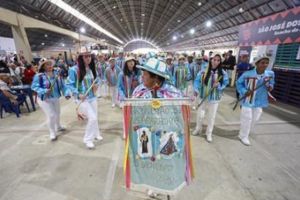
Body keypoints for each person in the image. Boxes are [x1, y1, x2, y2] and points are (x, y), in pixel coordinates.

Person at [132, 57, 182, 198]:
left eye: (145, 74)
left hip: (165, 137)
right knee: (148, 161)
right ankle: (151, 185)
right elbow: (134, 114)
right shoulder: (139, 91)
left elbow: (179, 117)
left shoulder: (172, 94)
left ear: (155, 78)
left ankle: (165, 185)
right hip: (146, 136)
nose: (142, 77)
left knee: (165, 160)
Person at [65, 49, 103, 149]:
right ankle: (88, 139)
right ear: (81, 58)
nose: (88, 58)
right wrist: (78, 94)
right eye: (85, 56)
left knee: (95, 117)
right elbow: (69, 84)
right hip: (82, 99)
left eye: (89, 56)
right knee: (92, 118)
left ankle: (96, 134)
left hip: (92, 97)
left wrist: (96, 85)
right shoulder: (74, 70)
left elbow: (97, 79)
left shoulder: (91, 68)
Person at [236, 55, 275, 146]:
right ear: (257, 64)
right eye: (262, 63)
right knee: (247, 118)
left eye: (266, 63)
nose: (265, 65)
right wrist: (244, 91)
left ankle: (245, 130)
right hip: (248, 99)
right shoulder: (247, 74)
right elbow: (238, 83)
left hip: (260, 100)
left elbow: (272, 83)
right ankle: (243, 136)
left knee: (256, 118)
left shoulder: (270, 74)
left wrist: (270, 87)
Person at [192, 53, 229, 142]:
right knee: (200, 115)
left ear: (220, 62)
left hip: (214, 98)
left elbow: (225, 83)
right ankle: (198, 128)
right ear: (210, 60)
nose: (216, 62)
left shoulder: (222, 73)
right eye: (214, 59)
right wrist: (196, 90)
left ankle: (209, 133)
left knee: (211, 117)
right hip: (203, 96)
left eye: (218, 60)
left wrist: (219, 85)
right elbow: (197, 81)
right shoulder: (203, 71)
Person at [31, 58, 68, 141]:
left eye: (50, 64)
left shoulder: (57, 74)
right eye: (47, 64)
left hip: (55, 97)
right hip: (44, 99)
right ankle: (52, 132)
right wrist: (44, 91)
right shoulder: (39, 76)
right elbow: (34, 87)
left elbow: (63, 85)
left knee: (58, 113)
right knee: (51, 115)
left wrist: (66, 93)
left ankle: (58, 126)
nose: (50, 66)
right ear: (43, 66)